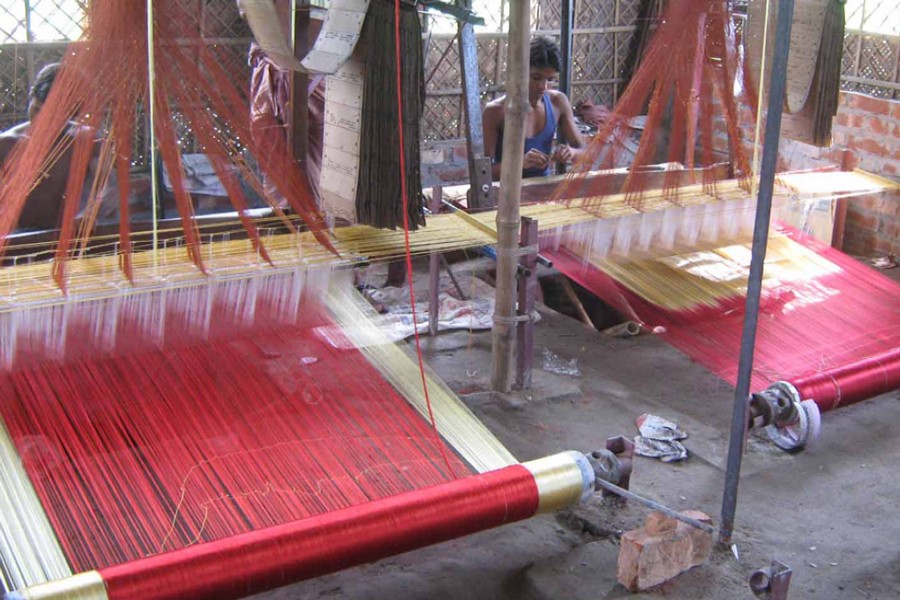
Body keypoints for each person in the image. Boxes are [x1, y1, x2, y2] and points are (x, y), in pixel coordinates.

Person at [482, 36, 585, 180]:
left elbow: (584, 152)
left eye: (551, 80)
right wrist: (519, 164)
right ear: (520, 72)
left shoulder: (558, 102)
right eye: (536, 77)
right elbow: (484, 172)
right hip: (506, 193)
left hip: (542, 189)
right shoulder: (495, 111)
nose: (543, 86)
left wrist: (571, 153)